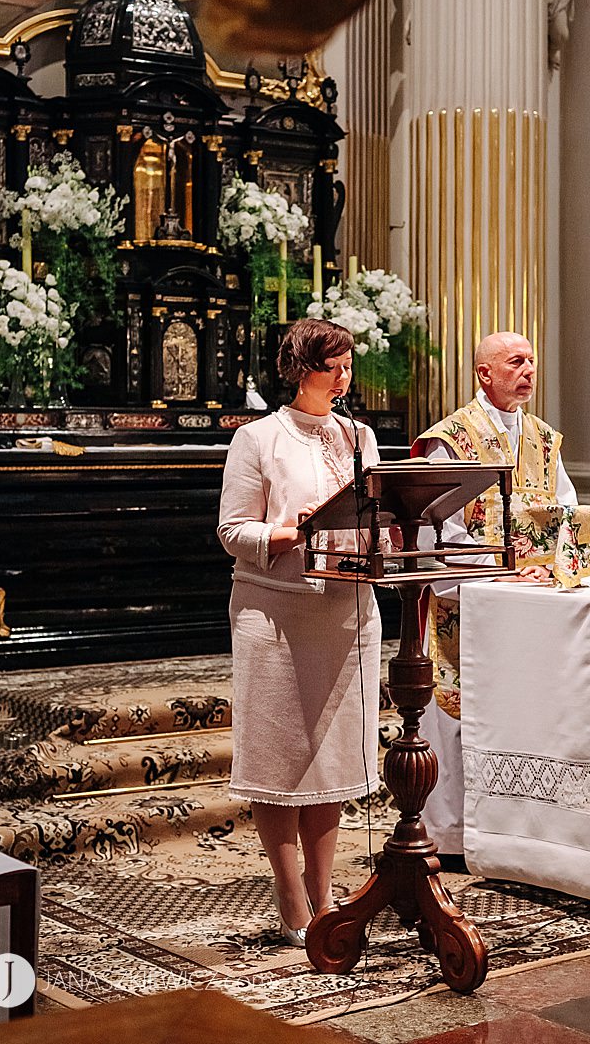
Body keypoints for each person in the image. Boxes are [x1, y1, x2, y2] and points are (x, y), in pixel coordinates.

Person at [413, 332, 590, 857]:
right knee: (458, 717)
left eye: (532, 362)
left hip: (531, 603)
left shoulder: (544, 440)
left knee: (521, 718)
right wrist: (498, 572)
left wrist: (550, 566)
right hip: (469, 600)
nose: (528, 370)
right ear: (484, 373)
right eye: (515, 362)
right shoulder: (449, 439)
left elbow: (565, 512)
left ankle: (512, 835)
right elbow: (436, 528)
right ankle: (450, 837)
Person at [218, 319, 383, 946]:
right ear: (299, 371)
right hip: (278, 614)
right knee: (281, 753)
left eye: (348, 366)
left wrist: (388, 533)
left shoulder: (361, 436)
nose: (343, 379)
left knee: (333, 756)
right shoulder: (259, 437)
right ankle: (290, 892)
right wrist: (291, 532)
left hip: (347, 610)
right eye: (331, 368)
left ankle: (325, 890)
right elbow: (233, 532)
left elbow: (373, 516)